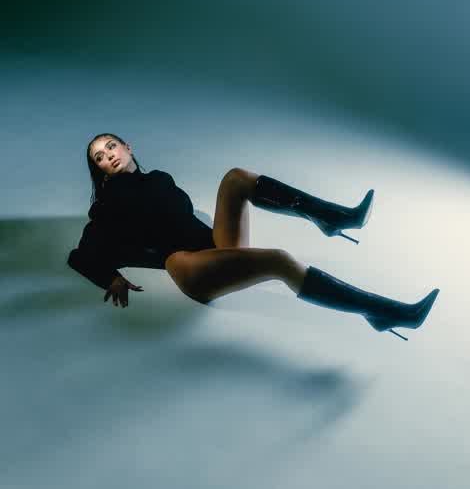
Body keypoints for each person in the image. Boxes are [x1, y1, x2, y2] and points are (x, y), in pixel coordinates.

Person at [67, 133, 439, 341]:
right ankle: (383, 311)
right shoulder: (108, 203)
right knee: (279, 260)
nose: (108, 155)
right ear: (100, 170)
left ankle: (333, 218)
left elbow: (178, 217)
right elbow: (80, 255)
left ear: (128, 147)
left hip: (219, 250)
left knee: (235, 178)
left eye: (110, 146)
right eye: (99, 157)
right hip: (190, 269)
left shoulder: (160, 179)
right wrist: (111, 277)